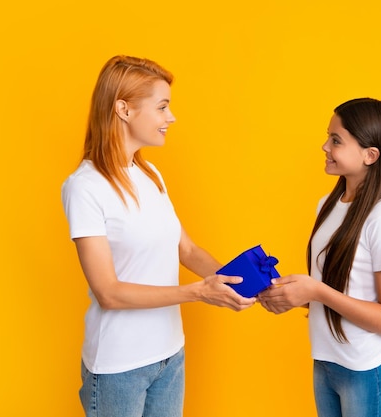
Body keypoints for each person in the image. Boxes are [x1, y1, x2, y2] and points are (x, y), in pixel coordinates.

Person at [61, 55, 256, 417]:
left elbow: (189, 249)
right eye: (162, 107)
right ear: (123, 109)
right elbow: (109, 292)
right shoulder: (85, 187)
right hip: (119, 367)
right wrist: (197, 293)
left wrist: (243, 281)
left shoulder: (150, 174)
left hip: (170, 355)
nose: (171, 117)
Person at [258, 98, 381, 417]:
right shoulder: (328, 204)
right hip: (327, 363)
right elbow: (341, 292)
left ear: (370, 155)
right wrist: (292, 295)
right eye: (328, 136)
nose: (324, 146)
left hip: (367, 370)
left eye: (336, 140)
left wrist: (315, 291)